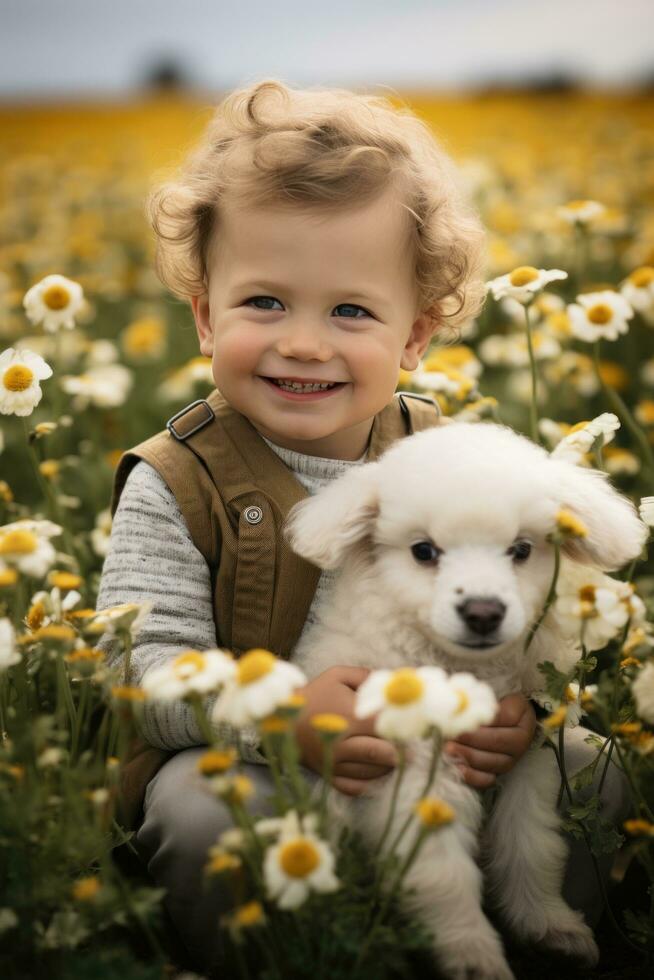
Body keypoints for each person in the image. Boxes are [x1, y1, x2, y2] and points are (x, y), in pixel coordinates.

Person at [96, 77, 630, 975]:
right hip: (256, 765)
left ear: (416, 335)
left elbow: (523, 604)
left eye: (350, 310)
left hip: (441, 750)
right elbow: (132, 672)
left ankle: (537, 944)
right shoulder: (176, 479)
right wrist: (279, 718)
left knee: (593, 767)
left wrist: (522, 715)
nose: (304, 342)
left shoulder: (449, 451)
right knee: (200, 812)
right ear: (203, 315)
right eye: (264, 302)